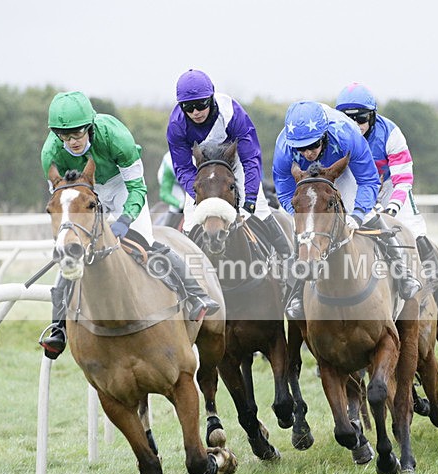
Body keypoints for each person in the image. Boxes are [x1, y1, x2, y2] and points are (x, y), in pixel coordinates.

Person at [39, 91, 219, 359]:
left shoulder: (116, 136)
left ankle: (195, 294)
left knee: (144, 242)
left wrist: (124, 219)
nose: (72, 142)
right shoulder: (50, 153)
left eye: (77, 133)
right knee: (70, 252)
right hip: (83, 192)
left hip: (122, 186)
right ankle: (58, 326)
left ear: (89, 126)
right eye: (64, 136)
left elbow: (137, 187)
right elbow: (59, 197)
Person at [273, 100, 422, 319]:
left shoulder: (346, 135)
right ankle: (296, 293)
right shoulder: (284, 147)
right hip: (306, 182)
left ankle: (403, 273)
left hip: (344, 171)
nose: (308, 153)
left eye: (313, 145)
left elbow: (369, 181)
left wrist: (358, 214)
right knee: (303, 232)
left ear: (324, 136)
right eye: (301, 148)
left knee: (370, 217)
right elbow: (285, 190)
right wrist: (303, 216)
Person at [335, 82, 438, 309]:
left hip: (389, 186)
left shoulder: (390, 133)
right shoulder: (335, 136)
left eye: (361, 119)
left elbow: (403, 178)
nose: (356, 125)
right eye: (348, 120)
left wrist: (392, 209)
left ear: (372, 116)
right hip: (356, 188)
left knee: (415, 231)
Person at [166, 69, 291, 259]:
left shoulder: (231, 112)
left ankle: (288, 260)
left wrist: (249, 196)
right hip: (201, 169)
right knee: (190, 219)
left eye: (201, 104)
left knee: (260, 207)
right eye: (188, 107)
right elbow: (183, 167)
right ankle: (188, 274)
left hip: (234, 162)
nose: (195, 112)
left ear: (211, 98)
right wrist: (200, 194)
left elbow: (251, 158)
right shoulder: (176, 125)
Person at [155, 151, 185, 229]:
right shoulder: (170, 163)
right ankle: (166, 231)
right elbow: (164, 194)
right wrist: (180, 204)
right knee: (182, 200)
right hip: (172, 182)